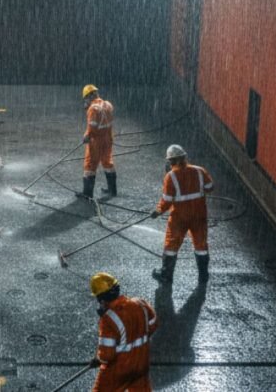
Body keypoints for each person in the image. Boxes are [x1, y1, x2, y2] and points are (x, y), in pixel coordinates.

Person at [151, 144, 214, 284]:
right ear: (185, 157)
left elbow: (166, 201)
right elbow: (210, 187)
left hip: (180, 218)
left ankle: (166, 275)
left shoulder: (171, 176)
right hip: (199, 215)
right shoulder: (199, 171)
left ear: (171, 161)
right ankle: (203, 276)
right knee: (201, 244)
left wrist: (158, 211)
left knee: (171, 245)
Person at [88, 272, 157, 391]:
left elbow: (107, 355)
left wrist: (98, 360)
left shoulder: (108, 319)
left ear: (101, 299)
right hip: (141, 363)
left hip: (118, 369)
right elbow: (153, 324)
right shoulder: (140, 303)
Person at [80, 84, 117, 199]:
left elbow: (92, 127)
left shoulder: (93, 109)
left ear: (88, 96)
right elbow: (107, 122)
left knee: (90, 164)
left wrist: (86, 136)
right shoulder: (108, 104)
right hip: (107, 138)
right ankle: (112, 190)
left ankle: (87, 194)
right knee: (108, 163)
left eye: (85, 98)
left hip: (96, 140)